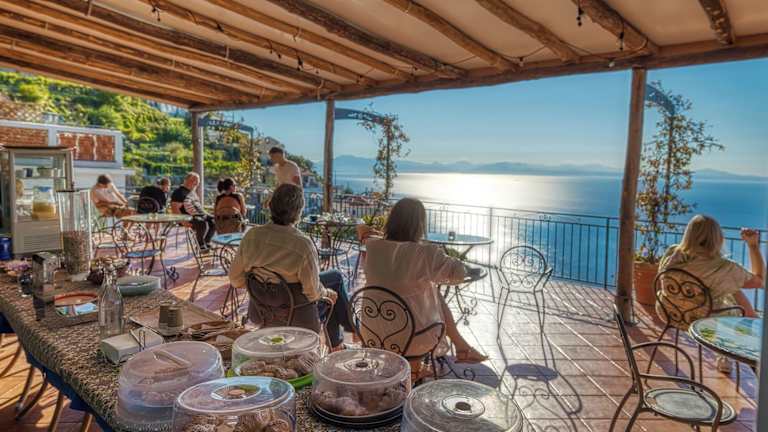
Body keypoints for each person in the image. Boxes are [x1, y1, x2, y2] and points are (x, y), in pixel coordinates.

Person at [359, 197, 487, 377]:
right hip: (411, 339)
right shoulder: (425, 253)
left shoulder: (373, 246)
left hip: (372, 332)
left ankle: (453, 351)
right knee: (432, 293)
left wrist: (373, 233)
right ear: (419, 224)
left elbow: (361, 229)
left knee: (431, 292)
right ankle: (415, 371)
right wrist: (463, 265)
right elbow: (457, 272)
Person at [229, 183, 351, 350]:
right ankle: (346, 334)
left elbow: (235, 279)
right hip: (297, 317)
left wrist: (264, 286)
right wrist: (327, 293)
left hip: (262, 311)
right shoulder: (302, 244)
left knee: (333, 278)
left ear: (271, 206)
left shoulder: (251, 236)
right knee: (334, 283)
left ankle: (342, 338)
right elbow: (312, 293)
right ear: (298, 212)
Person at [658, 214, 764, 372]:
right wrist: (753, 246)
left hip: (671, 312)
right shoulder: (723, 267)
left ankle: (728, 356)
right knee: (735, 295)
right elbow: (760, 281)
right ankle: (739, 353)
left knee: (730, 289)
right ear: (717, 238)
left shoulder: (673, 253)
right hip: (702, 320)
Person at [171, 173, 215, 249]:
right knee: (202, 223)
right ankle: (200, 245)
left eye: (197, 182)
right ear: (186, 180)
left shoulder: (192, 192)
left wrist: (209, 214)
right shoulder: (179, 192)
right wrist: (183, 222)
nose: (196, 183)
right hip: (189, 217)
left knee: (214, 220)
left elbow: (199, 208)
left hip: (200, 215)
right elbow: (175, 209)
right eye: (193, 181)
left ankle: (207, 242)